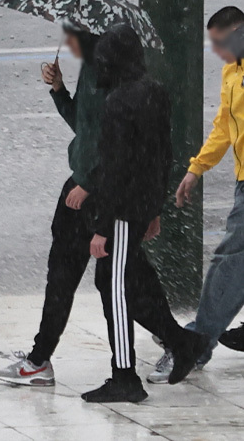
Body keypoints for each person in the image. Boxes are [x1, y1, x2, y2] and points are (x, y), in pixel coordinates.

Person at [80, 24, 208, 403]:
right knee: (119, 280)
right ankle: (181, 341)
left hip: (121, 213)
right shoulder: (154, 92)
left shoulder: (118, 102)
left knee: (115, 288)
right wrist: (154, 209)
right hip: (139, 208)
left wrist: (103, 226)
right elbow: (160, 156)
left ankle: (125, 376)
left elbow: (117, 167)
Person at [0, 27, 105, 387]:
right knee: (117, 276)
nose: (66, 44)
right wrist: (59, 90)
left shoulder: (101, 75)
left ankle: (40, 359)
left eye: (71, 37)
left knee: (65, 275)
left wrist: (86, 183)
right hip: (83, 185)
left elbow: (106, 140)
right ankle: (177, 341)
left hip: (88, 190)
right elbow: (82, 126)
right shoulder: (91, 70)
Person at [149, 6, 244, 383]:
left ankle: (196, 344)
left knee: (230, 261)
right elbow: (224, 124)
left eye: (221, 43)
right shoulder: (232, 70)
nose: (217, 52)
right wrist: (196, 168)